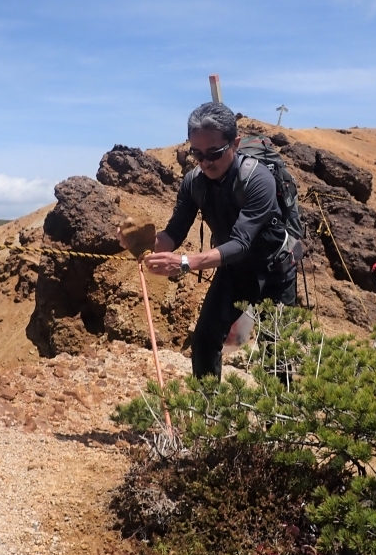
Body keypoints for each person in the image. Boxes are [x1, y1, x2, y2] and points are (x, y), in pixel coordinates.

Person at [122, 102, 297, 380]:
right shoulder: (194, 183)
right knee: (205, 340)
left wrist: (185, 263)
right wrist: (142, 243)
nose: (205, 162)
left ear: (235, 144)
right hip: (234, 271)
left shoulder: (258, 180)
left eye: (214, 152)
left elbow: (241, 243)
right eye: (197, 153)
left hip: (275, 271)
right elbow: (174, 234)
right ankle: (207, 406)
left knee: (276, 352)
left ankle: (280, 408)